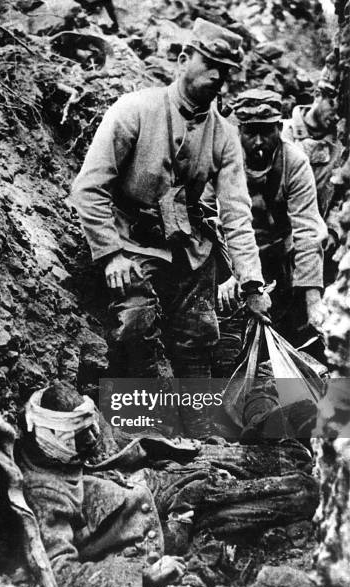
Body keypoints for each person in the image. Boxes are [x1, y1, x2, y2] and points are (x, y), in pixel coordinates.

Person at [71, 18, 270, 387]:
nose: (216, 76)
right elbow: (89, 187)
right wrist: (110, 253)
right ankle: (150, 426)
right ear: (183, 58)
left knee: (200, 333)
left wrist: (252, 285)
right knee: (136, 322)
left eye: (224, 71)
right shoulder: (134, 110)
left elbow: (237, 213)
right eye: (208, 63)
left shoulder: (225, 136)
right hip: (128, 240)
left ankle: (199, 427)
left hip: (187, 248)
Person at [17, 381, 185, 587]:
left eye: (90, 429)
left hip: (139, 494)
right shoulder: (42, 493)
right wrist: (141, 577)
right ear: (50, 435)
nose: (90, 440)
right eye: (78, 435)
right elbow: (58, 575)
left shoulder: (53, 455)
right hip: (136, 540)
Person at [210, 89, 327, 375]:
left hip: (280, 258)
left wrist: (313, 300)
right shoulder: (219, 157)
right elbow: (206, 218)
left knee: (294, 333)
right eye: (250, 133)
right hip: (229, 255)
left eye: (267, 132)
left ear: (279, 128)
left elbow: (307, 230)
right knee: (224, 337)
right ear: (238, 130)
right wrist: (226, 274)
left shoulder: (295, 162)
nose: (259, 142)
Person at [282, 65, 343, 284]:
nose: (337, 116)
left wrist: (333, 230)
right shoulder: (283, 134)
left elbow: (342, 198)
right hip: (276, 247)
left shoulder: (341, 149)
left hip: (319, 252)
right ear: (318, 95)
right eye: (333, 106)